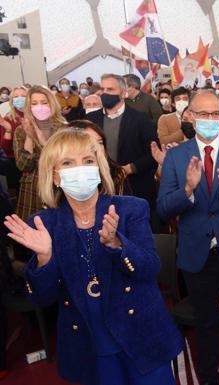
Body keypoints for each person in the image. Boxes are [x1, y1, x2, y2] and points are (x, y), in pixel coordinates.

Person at [11, 129, 183, 385]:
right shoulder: (44, 224)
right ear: (55, 176)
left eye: (88, 161)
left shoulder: (130, 208)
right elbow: (43, 298)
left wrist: (117, 244)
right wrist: (45, 257)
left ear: (99, 168)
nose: (80, 169)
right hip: (89, 342)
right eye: (68, 162)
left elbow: (149, 268)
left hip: (140, 336)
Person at [157, 92, 219, 385]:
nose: (210, 120)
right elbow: (164, 208)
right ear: (189, 115)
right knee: (205, 325)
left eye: (215, 114)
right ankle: (208, 378)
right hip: (196, 252)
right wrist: (187, 190)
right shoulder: (176, 156)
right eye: (203, 114)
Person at [87, 74, 159, 209]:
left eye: (110, 89)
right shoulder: (90, 119)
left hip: (135, 189)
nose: (105, 93)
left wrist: (129, 168)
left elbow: (153, 155)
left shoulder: (140, 119)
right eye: (102, 90)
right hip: (99, 189)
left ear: (123, 93)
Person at [14, 86, 67, 220]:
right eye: (34, 103)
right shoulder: (21, 130)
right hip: (32, 188)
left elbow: (59, 159)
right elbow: (23, 165)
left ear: (52, 103)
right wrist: (30, 137)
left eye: (44, 102)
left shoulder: (63, 128)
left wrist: (41, 138)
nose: (39, 107)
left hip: (58, 187)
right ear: (28, 106)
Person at [68, 119, 131, 195]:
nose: (97, 148)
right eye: (90, 143)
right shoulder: (66, 176)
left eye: (100, 142)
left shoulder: (117, 174)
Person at [0, 86, 27, 190]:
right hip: (15, 163)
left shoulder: (37, 116)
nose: (20, 99)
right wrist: (8, 130)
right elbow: (5, 151)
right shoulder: (8, 119)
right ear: (11, 100)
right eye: (16, 96)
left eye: (23, 96)